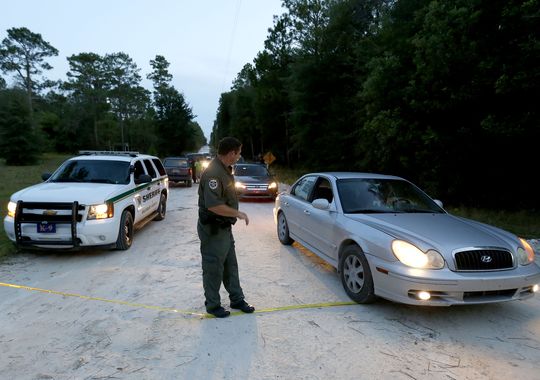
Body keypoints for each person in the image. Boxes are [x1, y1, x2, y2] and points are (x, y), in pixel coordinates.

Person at [197, 137, 255, 318]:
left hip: (224, 228)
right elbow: (213, 205)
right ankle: (213, 305)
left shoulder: (224, 170)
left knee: (231, 265)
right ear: (231, 153)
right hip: (213, 229)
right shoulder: (214, 173)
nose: (239, 156)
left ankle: (237, 299)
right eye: (238, 153)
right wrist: (238, 213)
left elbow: (223, 194)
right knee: (214, 267)